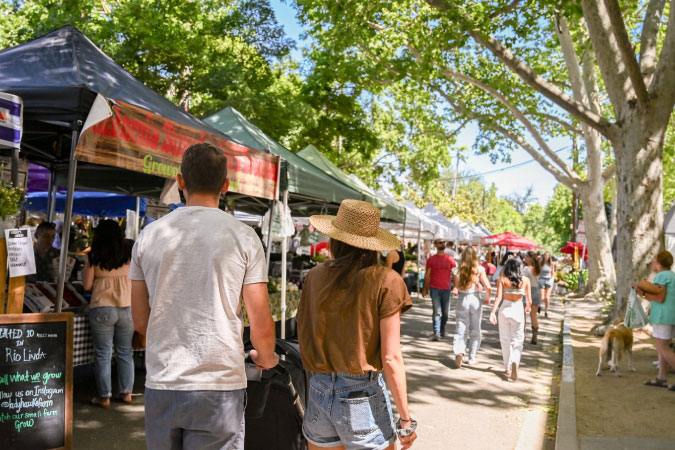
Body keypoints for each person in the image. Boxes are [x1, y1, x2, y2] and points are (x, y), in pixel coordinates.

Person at [130, 143, 279, 449]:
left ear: (180, 181)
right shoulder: (243, 237)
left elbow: (141, 323)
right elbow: (261, 324)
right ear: (225, 185)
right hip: (219, 386)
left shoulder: (148, 236)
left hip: (163, 382)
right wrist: (266, 357)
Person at [297, 199, 417, 450]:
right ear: (373, 244)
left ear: (334, 240)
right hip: (361, 395)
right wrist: (406, 419)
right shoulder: (386, 281)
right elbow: (391, 357)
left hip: (318, 388)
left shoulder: (315, 276)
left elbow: (304, 332)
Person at [83, 220, 135, 408]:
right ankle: (126, 393)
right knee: (125, 352)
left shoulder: (92, 256)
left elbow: (87, 286)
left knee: (103, 353)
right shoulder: (129, 254)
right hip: (127, 307)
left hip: (102, 307)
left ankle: (104, 396)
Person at [489, 257, 532, 381]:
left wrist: (492, 312)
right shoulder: (526, 280)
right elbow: (529, 301)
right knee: (518, 340)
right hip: (518, 309)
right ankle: (515, 362)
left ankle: (507, 367)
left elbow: (498, 297)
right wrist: (528, 307)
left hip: (504, 309)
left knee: (505, 340)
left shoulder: (502, 280)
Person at [638, 251, 675, 390]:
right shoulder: (672, 275)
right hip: (670, 315)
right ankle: (661, 377)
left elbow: (660, 298)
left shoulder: (661, 276)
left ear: (658, 263)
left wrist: (641, 292)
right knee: (663, 348)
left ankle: (662, 377)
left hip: (663, 316)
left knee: (663, 348)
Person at [452, 246, 492, 366]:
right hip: (475, 299)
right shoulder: (479, 269)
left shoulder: (456, 270)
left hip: (462, 299)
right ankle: (472, 358)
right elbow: (488, 286)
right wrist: (487, 297)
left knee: (461, 328)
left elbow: (457, 287)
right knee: (475, 329)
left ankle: (459, 352)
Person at [422, 238, 456, 340]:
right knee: (436, 311)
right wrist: (425, 288)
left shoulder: (450, 259)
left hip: (446, 289)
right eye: (440, 243)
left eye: (443, 242)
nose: (442, 244)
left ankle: (442, 328)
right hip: (434, 288)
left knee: (446, 314)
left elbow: (454, 274)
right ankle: (436, 332)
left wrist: (456, 287)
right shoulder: (431, 259)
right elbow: (427, 275)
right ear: (436, 245)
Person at [523, 251, 542, 344]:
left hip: (527, 291)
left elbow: (522, 280)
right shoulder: (538, 269)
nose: (525, 258)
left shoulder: (526, 269)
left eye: (526, 256)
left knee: (523, 315)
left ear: (530, 258)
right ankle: (535, 336)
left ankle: (522, 334)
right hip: (536, 292)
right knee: (533, 315)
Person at [539, 252, 555, 318]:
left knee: (547, 297)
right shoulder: (541, 263)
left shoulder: (551, 264)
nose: (546, 257)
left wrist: (552, 280)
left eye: (547, 255)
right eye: (545, 255)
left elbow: (553, 273)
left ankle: (546, 311)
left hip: (549, 280)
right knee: (542, 297)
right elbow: (538, 272)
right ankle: (539, 307)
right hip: (541, 280)